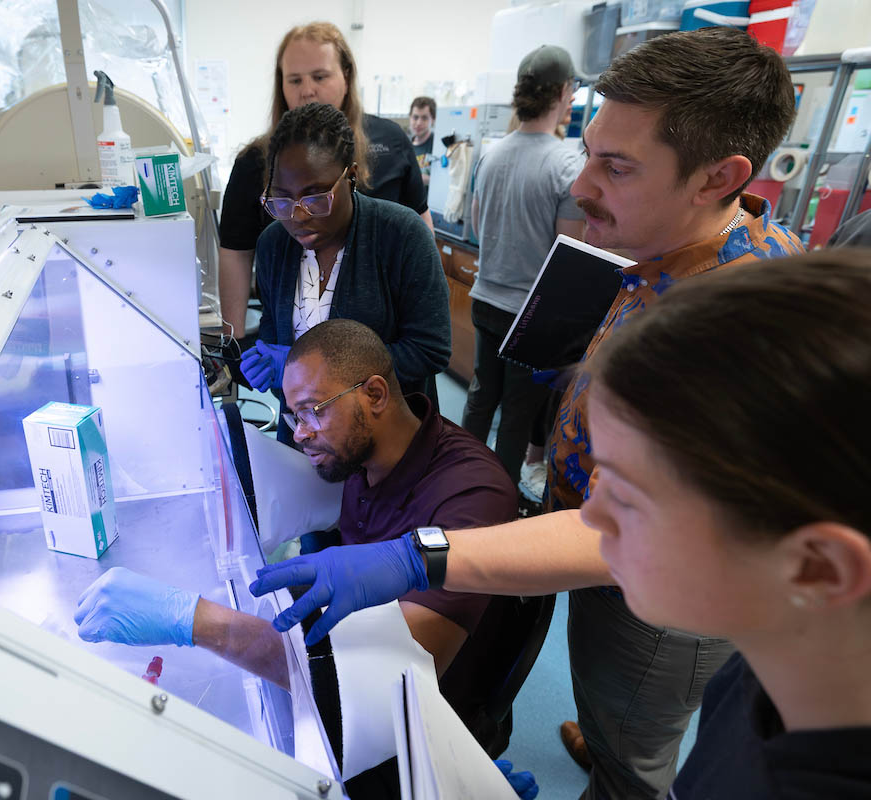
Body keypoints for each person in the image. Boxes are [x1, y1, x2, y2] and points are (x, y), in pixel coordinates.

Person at [250, 27, 805, 800]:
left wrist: (420, 558)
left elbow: (624, 535)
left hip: (652, 592)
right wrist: (586, 368)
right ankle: (608, 732)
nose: (580, 189)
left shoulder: (734, 323)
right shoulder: (669, 244)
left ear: (720, 177)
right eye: (589, 154)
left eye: (616, 168)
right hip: (595, 541)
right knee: (608, 704)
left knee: (634, 752)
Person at [74, 319, 521, 784]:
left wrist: (192, 619)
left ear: (374, 395)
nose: (301, 433)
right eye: (294, 416)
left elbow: (386, 682)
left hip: (412, 728)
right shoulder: (364, 456)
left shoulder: (472, 494)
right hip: (360, 667)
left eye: (313, 412)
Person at [236, 102, 450, 443]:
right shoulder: (273, 244)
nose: (298, 216)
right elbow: (273, 331)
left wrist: (305, 368)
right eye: (281, 200)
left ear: (350, 176)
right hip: (302, 438)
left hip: (384, 448)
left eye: (315, 198)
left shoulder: (401, 234)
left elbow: (429, 350)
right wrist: (266, 358)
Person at [218, 22, 432, 338]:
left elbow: (421, 224)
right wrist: (232, 342)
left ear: (346, 75)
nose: (307, 90)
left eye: (320, 76)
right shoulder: (255, 161)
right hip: (301, 346)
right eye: (295, 80)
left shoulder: (391, 142)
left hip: (391, 341)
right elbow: (235, 252)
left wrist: (427, 316)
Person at [460, 45, 585, 489]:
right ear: (563, 92)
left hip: (486, 299)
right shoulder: (567, 164)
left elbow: (476, 225)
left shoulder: (491, 155)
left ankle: (459, 485)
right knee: (516, 416)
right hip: (528, 315)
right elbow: (569, 252)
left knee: (479, 401)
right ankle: (495, 500)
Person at [409, 96, 436, 186]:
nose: (419, 123)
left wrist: (429, 180)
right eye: (415, 117)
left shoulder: (438, 145)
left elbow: (447, 180)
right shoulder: (404, 145)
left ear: (433, 120)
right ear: (410, 118)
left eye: (424, 118)